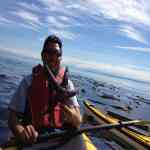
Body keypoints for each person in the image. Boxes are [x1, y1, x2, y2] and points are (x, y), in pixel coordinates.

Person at [8, 35, 82, 144]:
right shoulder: (28, 82)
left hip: (62, 137)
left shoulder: (68, 85)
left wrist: (75, 119)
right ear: (42, 55)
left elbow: (78, 120)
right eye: (49, 52)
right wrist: (22, 132)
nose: (53, 57)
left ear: (61, 57)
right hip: (37, 139)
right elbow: (12, 118)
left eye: (57, 54)